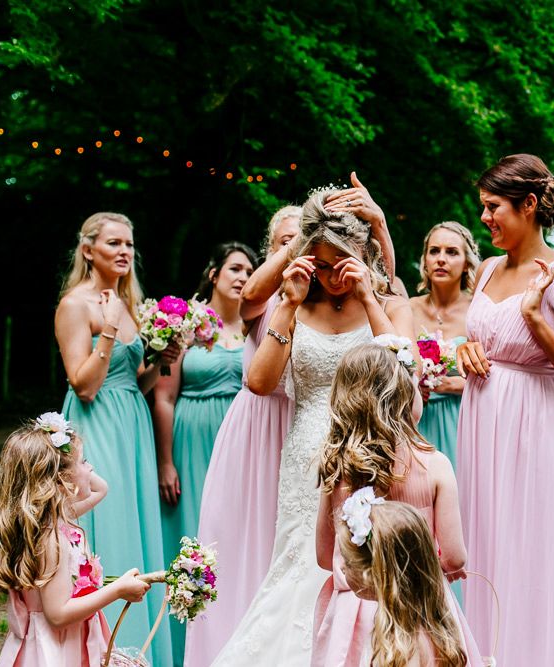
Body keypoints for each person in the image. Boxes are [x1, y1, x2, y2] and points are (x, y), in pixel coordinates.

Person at [212, 185, 414, 666]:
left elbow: (404, 378)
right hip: (306, 453)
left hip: (374, 448)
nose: (331, 276)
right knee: (300, 564)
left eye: (340, 263)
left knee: (371, 567)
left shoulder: (392, 303)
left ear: (361, 254)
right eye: (321, 265)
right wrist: (288, 301)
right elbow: (259, 382)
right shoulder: (297, 304)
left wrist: (369, 298)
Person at [456, 154, 554, 665]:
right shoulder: (483, 271)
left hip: (542, 430)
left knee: (537, 553)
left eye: (493, 206)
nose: (484, 218)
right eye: (482, 207)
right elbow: (481, 339)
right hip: (483, 426)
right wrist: (465, 349)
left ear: (528, 205)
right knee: (488, 549)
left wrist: (537, 322)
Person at [56, 212, 178, 665]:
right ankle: (103, 650)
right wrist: (107, 329)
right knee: (109, 521)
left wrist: (161, 361)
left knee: (136, 518)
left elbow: (133, 381)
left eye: (129, 243)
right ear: (88, 250)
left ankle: (140, 650)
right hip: (97, 423)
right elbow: (83, 384)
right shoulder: (75, 305)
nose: (124, 251)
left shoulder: (129, 303)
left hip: (132, 422)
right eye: (113, 243)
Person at [313, 342, 482, 667]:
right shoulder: (434, 465)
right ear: (406, 398)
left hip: (356, 615)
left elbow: (324, 557)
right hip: (420, 606)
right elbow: (455, 556)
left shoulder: (336, 467)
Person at [183, 207, 301, 667]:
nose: (297, 246)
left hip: (302, 424)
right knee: (238, 541)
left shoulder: (321, 292)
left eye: (304, 237)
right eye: (284, 240)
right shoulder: (260, 299)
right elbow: (251, 296)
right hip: (255, 429)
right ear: (271, 249)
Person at [154, 241, 257, 666]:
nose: (242, 277)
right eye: (234, 268)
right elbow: (164, 397)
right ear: (213, 274)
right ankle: (187, 646)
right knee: (196, 536)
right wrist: (165, 461)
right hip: (193, 438)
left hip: (245, 443)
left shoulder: (256, 325)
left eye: (249, 271)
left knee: (237, 537)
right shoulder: (188, 323)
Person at [0, 414, 151, 667]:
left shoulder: (55, 519)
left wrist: (63, 444)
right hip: (55, 651)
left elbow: (101, 489)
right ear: (61, 480)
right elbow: (58, 614)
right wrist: (117, 590)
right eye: (84, 462)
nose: (91, 468)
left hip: (68, 643)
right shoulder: (51, 538)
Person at [338, 495, 470, 667]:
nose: (341, 568)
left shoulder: (403, 648)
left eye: (348, 562)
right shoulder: (411, 631)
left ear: (375, 572)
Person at [409, 221, 480, 470]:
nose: (441, 259)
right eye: (434, 251)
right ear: (425, 261)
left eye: (451, 252)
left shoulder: (478, 311)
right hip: (417, 419)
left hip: (463, 418)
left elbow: (498, 374)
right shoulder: (409, 309)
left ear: (467, 263)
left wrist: (452, 384)